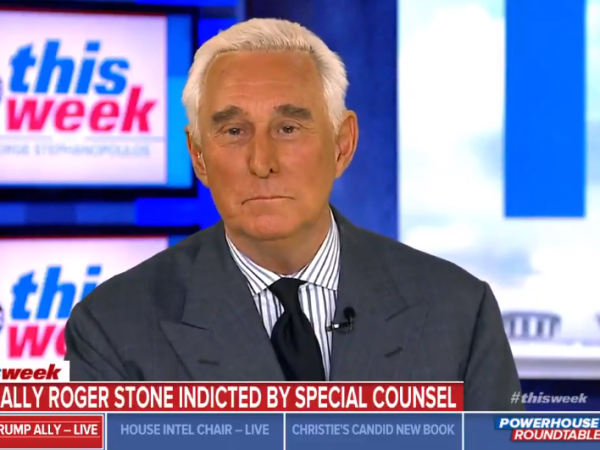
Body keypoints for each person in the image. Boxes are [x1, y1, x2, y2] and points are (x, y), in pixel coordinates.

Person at [65, 18, 523, 411]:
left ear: (342, 144)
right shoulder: (114, 328)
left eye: (288, 128)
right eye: (234, 131)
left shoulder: (459, 312)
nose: (262, 162)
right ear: (198, 156)